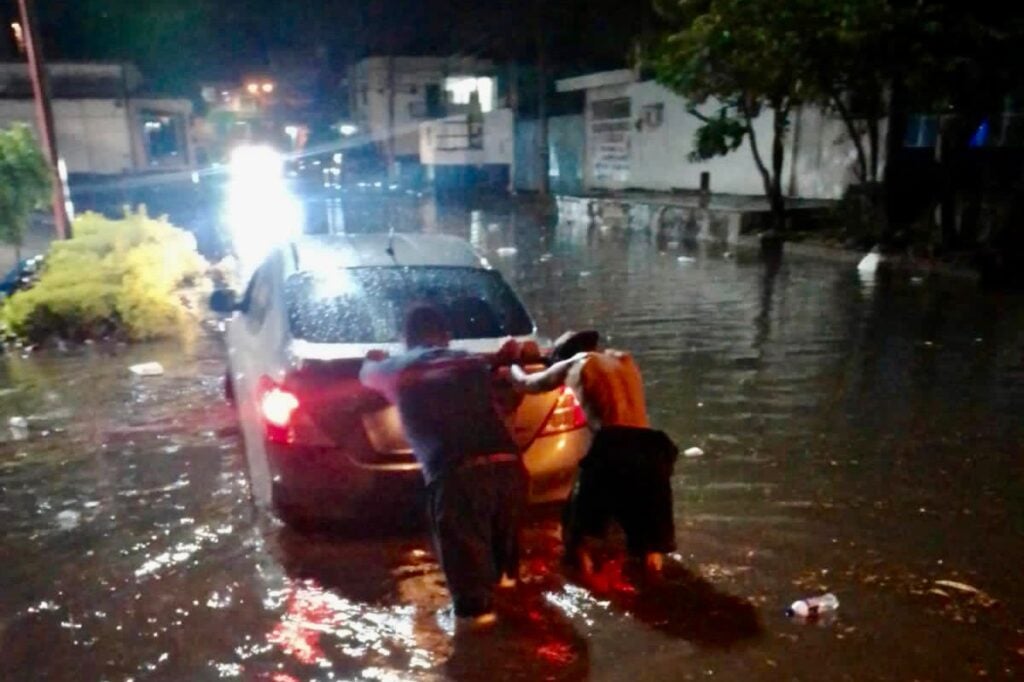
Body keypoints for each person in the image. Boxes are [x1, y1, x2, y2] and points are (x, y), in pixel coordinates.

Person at [359, 304, 527, 630]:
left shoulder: (397, 368)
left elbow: (365, 374)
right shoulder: (472, 361)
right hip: (512, 473)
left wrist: (373, 357)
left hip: (459, 481)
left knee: (473, 612)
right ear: (447, 338)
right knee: (508, 582)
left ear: (405, 339)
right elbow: (501, 375)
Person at [503, 330, 678, 580]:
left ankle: (586, 585)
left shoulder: (573, 364)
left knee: (576, 531)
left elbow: (526, 384)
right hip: (653, 448)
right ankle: (655, 586)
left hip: (611, 447)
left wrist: (512, 364)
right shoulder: (625, 360)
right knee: (649, 541)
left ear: (563, 355)